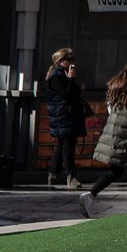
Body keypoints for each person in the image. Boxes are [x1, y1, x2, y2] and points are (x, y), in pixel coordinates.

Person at [80, 58, 127, 216]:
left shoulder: (116, 85)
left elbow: (109, 107)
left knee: (116, 170)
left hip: (115, 131)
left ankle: (90, 195)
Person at [45, 47, 83, 189]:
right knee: (68, 146)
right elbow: (66, 95)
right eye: (69, 60)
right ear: (61, 61)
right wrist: (71, 80)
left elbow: (74, 92)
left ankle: (53, 174)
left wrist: (72, 81)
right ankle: (71, 176)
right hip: (63, 116)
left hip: (66, 115)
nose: (72, 62)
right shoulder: (56, 77)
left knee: (62, 145)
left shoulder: (63, 75)